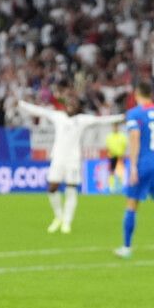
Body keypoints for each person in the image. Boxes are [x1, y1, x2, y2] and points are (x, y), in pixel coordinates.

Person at [18, 100, 124, 233]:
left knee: (71, 189)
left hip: (73, 160)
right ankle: (58, 217)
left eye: (73, 105)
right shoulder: (58, 116)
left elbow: (101, 120)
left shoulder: (81, 120)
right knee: (52, 188)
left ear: (77, 108)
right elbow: (40, 111)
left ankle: (67, 222)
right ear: (65, 107)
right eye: (68, 105)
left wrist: (120, 117)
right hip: (58, 158)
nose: (70, 107)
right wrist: (22, 104)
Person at [114, 82, 154, 259]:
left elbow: (134, 138)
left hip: (143, 164)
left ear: (136, 94)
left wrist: (133, 166)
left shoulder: (134, 114)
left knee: (132, 205)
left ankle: (126, 248)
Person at [105, 122, 128, 193]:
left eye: (116, 127)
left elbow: (125, 144)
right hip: (112, 156)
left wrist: (122, 153)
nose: (115, 128)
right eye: (114, 127)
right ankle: (111, 187)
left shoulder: (122, 136)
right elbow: (108, 146)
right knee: (112, 171)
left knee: (120, 172)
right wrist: (113, 152)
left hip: (120, 156)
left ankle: (120, 187)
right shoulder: (109, 136)